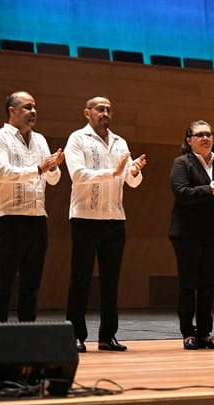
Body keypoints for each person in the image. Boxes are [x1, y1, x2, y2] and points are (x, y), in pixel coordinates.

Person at [64, 96, 147, 353]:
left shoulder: (120, 141)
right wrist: (113, 173)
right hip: (85, 218)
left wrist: (133, 171)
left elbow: (131, 182)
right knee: (81, 279)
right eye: (100, 109)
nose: (106, 113)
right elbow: (78, 176)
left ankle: (107, 336)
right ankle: (75, 335)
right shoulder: (77, 139)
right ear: (87, 113)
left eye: (109, 109)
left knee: (111, 281)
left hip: (114, 218)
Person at [0, 91, 63, 323]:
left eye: (35, 107)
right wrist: (39, 168)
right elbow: (2, 172)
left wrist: (53, 166)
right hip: (9, 218)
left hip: (38, 219)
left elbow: (54, 179)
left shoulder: (40, 140)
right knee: (4, 283)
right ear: (12, 111)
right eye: (28, 107)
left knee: (31, 286)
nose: (33, 112)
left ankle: (28, 342)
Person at [169, 120, 214, 350]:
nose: (205, 138)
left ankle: (205, 333)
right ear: (189, 140)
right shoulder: (182, 163)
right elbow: (182, 193)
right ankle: (187, 333)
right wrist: (213, 188)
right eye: (199, 134)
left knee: (208, 285)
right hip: (188, 233)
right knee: (188, 284)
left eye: (208, 134)